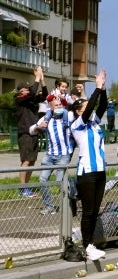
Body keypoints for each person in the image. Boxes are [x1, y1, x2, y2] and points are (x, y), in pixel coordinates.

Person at [70, 69, 110, 262]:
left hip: (100, 170)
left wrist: (102, 88)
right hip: (86, 171)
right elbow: (90, 108)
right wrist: (95, 89)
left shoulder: (94, 122)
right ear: (79, 111)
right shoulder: (77, 125)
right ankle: (86, 246)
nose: (90, 109)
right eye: (86, 107)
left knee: (95, 211)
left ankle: (90, 244)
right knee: (88, 211)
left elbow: (101, 105)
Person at [29, 94, 74, 214]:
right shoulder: (46, 119)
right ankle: (49, 206)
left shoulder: (67, 117)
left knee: (60, 182)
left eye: (60, 105)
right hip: (49, 156)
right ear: (50, 107)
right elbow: (30, 130)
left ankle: (71, 202)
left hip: (63, 155)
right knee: (42, 180)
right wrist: (39, 127)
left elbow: (75, 109)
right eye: (56, 105)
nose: (59, 107)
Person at [15, 65, 48, 198]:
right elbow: (34, 93)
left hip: (34, 133)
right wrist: (36, 77)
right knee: (26, 161)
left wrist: (42, 81)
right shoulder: (19, 100)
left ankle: (26, 187)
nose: (29, 91)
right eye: (26, 89)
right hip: (25, 134)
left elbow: (45, 96)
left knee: (32, 161)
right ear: (20, 91)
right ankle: (22, 189)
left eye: (29, 89)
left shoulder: (30, 100)